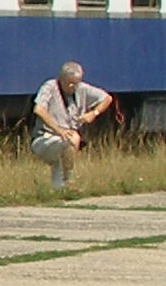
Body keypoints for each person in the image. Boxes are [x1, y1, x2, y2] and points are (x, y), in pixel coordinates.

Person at [30, 60, 117, 193]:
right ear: (61, 79)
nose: (72, 86)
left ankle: (60, 190)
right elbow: (39, 110)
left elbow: (107, 98)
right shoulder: (50, 86)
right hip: (44, 137)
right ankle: (68, 181)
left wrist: (93, 113)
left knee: (69, 142)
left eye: (75, 83)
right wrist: (59, 131)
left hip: (66, 138)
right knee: (70, 140)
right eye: (69, 83)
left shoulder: (82, 88)